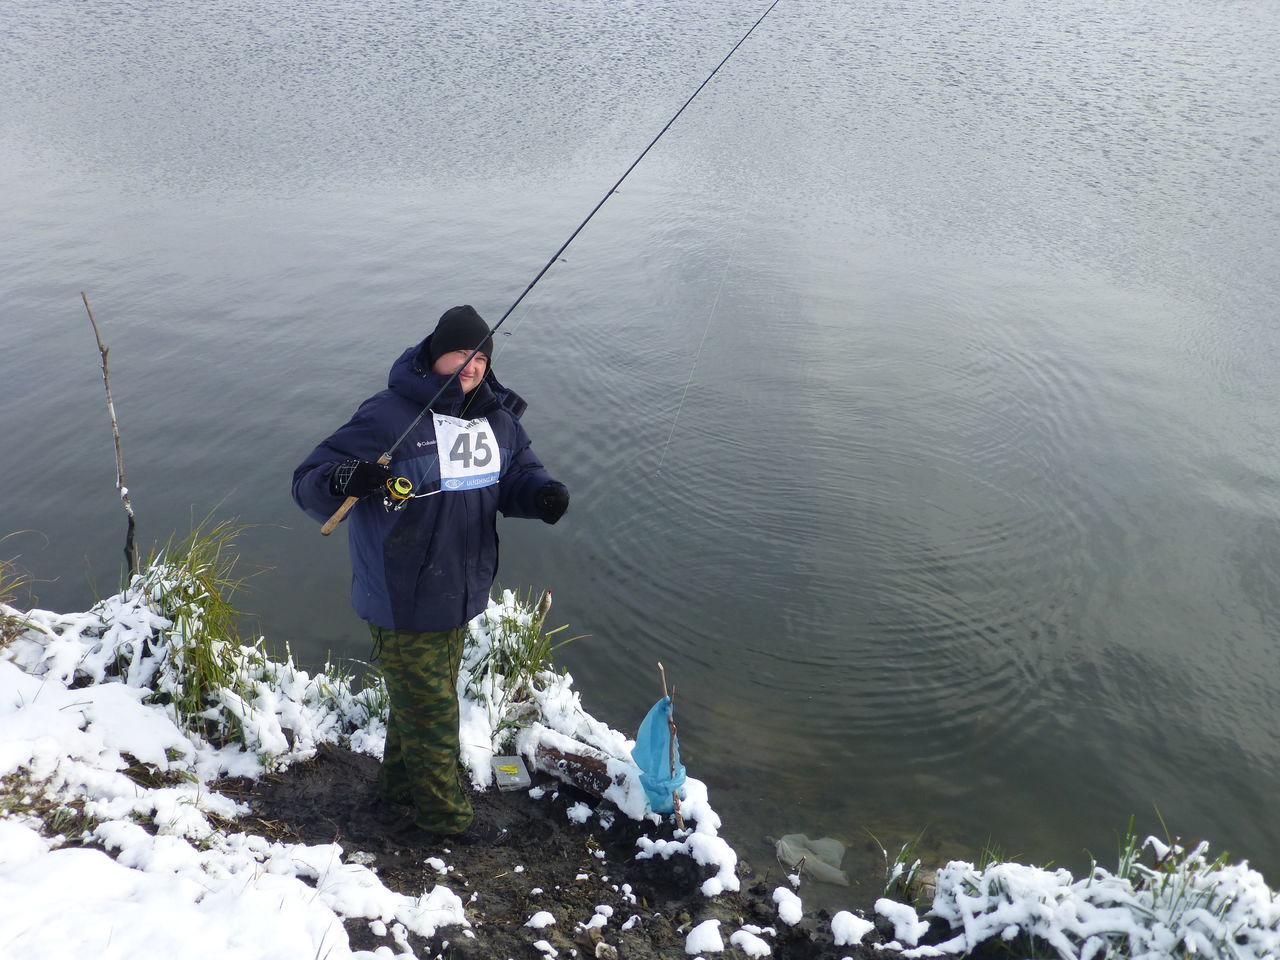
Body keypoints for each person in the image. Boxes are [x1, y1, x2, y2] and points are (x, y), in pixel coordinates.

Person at [292, 304, 569, 844]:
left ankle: (394, 792)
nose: (471, 367)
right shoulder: (388, 416)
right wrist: (346, 476)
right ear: (434, 354)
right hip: (400, 593)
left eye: (481, 358)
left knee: (423, 700)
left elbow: (517, 474)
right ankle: (445, 821)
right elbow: (308, 480)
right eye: (462, 354)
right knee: (436, 713)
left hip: (460, 589)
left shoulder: (498, 421)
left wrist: (541, 494)